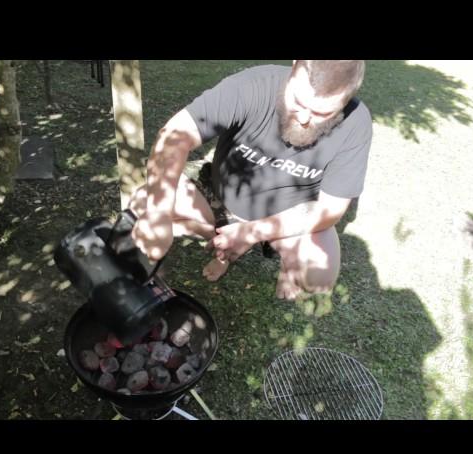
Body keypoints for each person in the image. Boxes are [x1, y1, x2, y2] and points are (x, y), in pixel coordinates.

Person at [129, 60, 372, 300]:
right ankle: (224, 248)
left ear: (346, 100)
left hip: (284, 216)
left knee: (319, 274)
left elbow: (330, 210)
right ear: (294, 65)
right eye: (297, 101)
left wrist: (252, 232)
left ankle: (270, 258)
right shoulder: (254, 85)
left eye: (322, 113)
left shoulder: (356, 123)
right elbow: (174, 136)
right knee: (142, 203)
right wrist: (158, 214)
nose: (305, 118)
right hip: (220, 193)